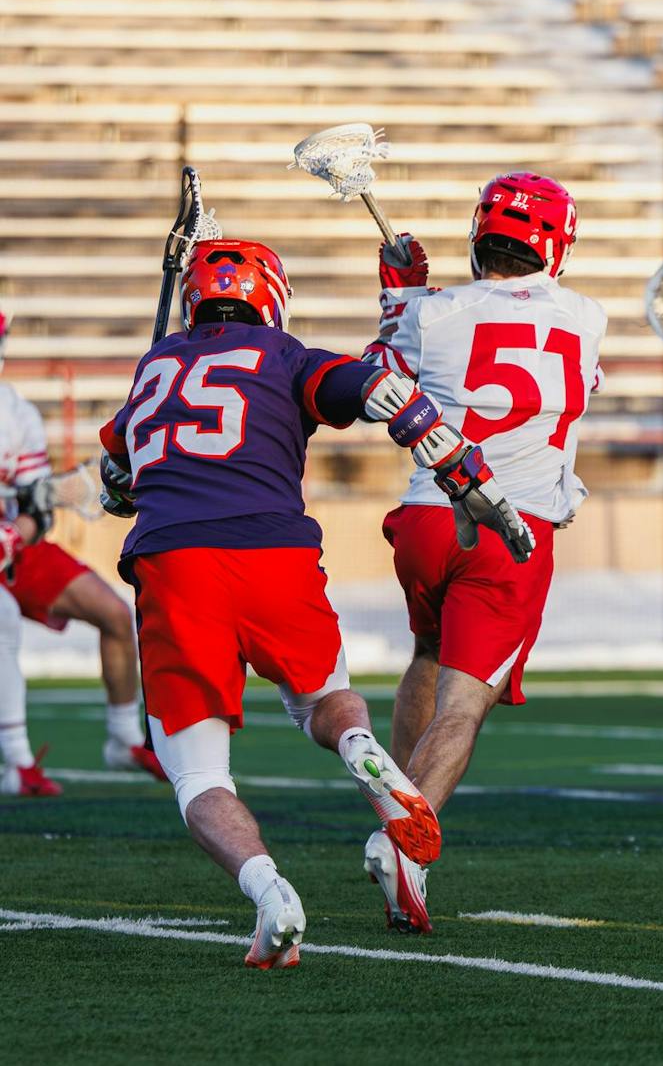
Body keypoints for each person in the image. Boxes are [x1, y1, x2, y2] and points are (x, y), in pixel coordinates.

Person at [98, 238, 529, 966]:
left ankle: (271, 893)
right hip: (274, 552)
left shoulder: (152, 369)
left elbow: (115, 480)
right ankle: (365, 754)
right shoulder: (287, 355)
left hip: (175, 563)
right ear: (269, 294)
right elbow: (386, 394)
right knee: (326, 700)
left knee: (200, 774)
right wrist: (465, 476)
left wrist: (123, 472)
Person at [364, 171, 604, 932]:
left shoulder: (433, 313)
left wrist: (401, 300)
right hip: (510, 530)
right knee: (467, 703)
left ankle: (397, 804)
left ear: (480, 237)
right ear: (555, 246)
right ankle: (408, 836)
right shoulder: (588, 318)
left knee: (428, 657)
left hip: (429, 515)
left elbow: (380, 380)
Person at [0, 310, 162, 797]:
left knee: (113, 613)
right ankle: (17, 760)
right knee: (3, 616)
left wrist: (23, 525)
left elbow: (33, 508)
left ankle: (123, 737)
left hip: (13, 546)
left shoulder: (17, 412)